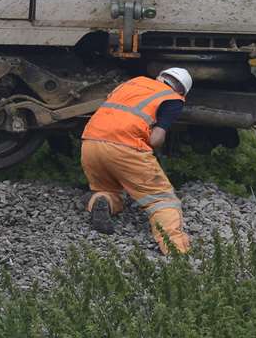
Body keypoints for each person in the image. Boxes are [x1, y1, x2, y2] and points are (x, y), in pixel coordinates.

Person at [80, 68, 194, 254]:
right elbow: (155, 140)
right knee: (162, 199)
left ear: (160, 77)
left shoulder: (132, 83)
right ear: (182, 91)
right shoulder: (173, 99)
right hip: (125, 147)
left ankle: (102, 201)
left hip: (90, 143)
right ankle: (177, 250)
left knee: (108, 189)